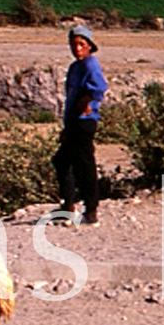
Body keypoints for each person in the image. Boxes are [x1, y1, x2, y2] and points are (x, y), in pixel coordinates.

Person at [52, 22, 106, 225]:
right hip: (74, 122)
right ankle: (68, 205)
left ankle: (90, 210)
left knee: (85, 166)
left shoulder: (90, 64)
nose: (78, 48)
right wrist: (66, 126)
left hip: (84, 123)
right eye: (74, 44)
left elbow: (99, 87)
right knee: (62, 161)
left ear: (90, 45)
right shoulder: (75, 67)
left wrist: (87, 101)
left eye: (82, 44)